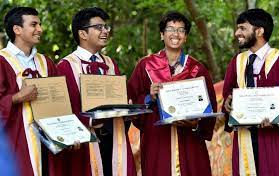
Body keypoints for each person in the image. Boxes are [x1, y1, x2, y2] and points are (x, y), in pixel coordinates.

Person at [127, 11, 217, 176]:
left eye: (181, 30)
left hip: (190, 142)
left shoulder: (197, 69)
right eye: (170, 29)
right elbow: (130, 102)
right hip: (157, 141)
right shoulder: (145, 66)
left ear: (186, 36)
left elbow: (210, 107)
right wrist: (149, 96)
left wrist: (196, 124)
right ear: (162, 35)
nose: (175, 34)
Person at [57, 7, 136, 176]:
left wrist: (127, 109)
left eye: (106, 27)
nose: (105, 31)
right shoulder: (66, 66)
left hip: (114, 138)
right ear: (83, 34)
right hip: (86, 142)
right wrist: (90, 121)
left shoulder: (110, 63)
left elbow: (122, 97)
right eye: (99, 27)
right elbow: (63, 109)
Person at [223, 8, 279, 176]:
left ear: (259, 31)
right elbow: (227, 95)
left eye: (242, 28)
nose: (237, 33)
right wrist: (228, 103)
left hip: (274, 139)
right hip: (244, 139)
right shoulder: (237, 62)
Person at [0, 7, 58, 176]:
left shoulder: (45, 62)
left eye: (39, 24)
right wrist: (17, 97)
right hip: (16, 142)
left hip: (49, 143)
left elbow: (60, 101)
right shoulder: (2, 61)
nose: (40, 29)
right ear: (17, 29)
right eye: (34, 24)